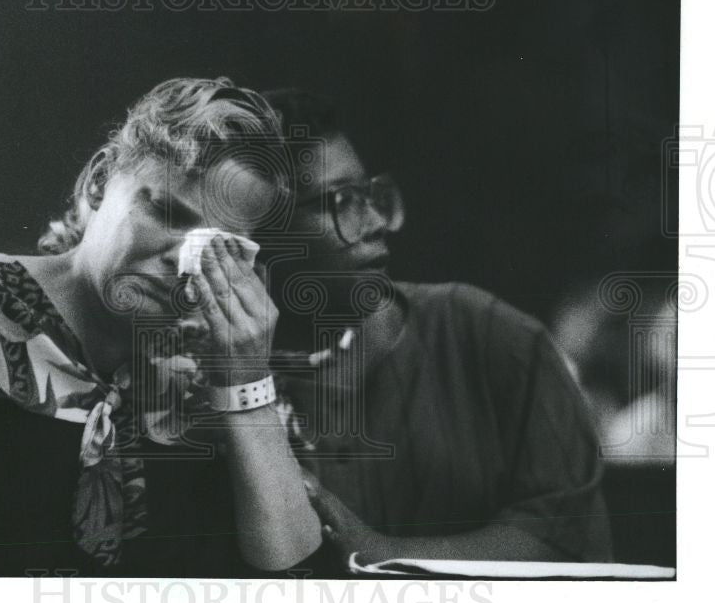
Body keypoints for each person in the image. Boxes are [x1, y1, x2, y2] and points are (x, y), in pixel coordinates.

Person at [0, 77, 322, 576]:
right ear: (100, 182)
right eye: (166, 211)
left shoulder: (202, 374)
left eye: (218, 246)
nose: (180, 259)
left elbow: (296, 583)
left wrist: (244, 383)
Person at [261, 88, 613, 569]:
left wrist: (383, 553)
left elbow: (571, 541)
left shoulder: (489, 337)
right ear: (256, 235)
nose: (376, 222)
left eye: (372, 197)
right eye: (340, 202)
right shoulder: (205, 381)